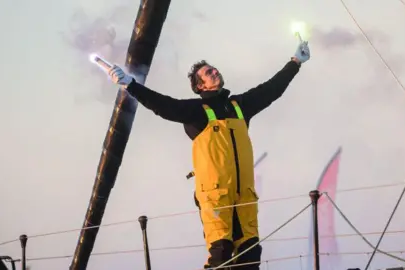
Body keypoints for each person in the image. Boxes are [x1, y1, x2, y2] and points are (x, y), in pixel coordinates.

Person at [107, 40, 311, 269]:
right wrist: (130, 85)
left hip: (244, 197)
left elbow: (271, 89)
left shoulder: (239, 106)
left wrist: (295, 63)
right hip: (216, 199)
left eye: (214, 69)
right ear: (200, 86)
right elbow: (163, 105)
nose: (215, 72)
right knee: (221, 253)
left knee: (250, 254)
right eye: (208, 72)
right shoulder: (196, 111)